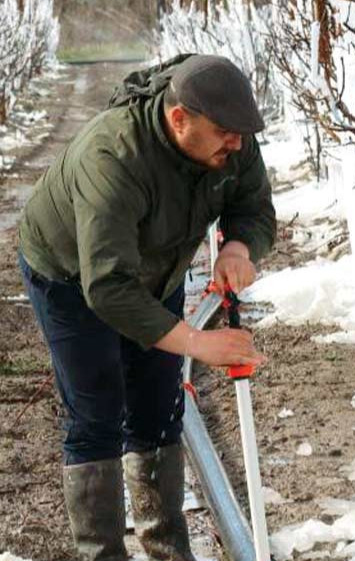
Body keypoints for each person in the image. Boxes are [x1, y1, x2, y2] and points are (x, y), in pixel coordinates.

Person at [17, 54, 276, 561]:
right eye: (226, 133)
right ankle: (103, 554)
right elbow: (108, 287)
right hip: (72, 274)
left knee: (158, 408)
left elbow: (253, 205)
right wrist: (198, 342)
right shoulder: (112, 156)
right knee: (97, 411)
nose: (238, 144)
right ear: (180, 120)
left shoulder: (231, 137)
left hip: (158, 269)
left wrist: (238, 247)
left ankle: (166, 549)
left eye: (242, 134)